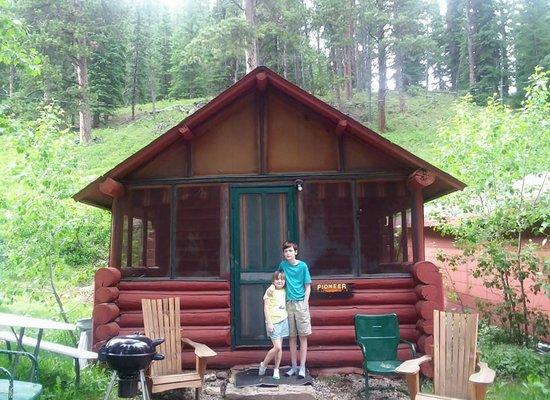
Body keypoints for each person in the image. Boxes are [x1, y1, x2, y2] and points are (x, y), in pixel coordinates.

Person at [278, 241, 311, 378]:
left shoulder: (303, 266)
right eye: (286, 251)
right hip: (288, 304)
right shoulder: (283, 265)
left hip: (300, 304)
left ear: (295, 252)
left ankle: (302, 367)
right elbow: (278, 281)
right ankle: (293, 366)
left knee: (302, 336)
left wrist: (305, 303)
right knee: (291, 337)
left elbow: (307, 286)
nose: (288, 253)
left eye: (290, 251)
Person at [258, 270, 289, 380]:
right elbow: (266, 308)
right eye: (277, 279)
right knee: (277, 347)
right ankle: (264, 364)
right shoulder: (270, 291)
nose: (280, 281)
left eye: (282, 279)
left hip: (283, 320)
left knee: (280, 349)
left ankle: (276, 369)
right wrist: (269, 323)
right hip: (273, 322)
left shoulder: (285, 290)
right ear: (273, 281)